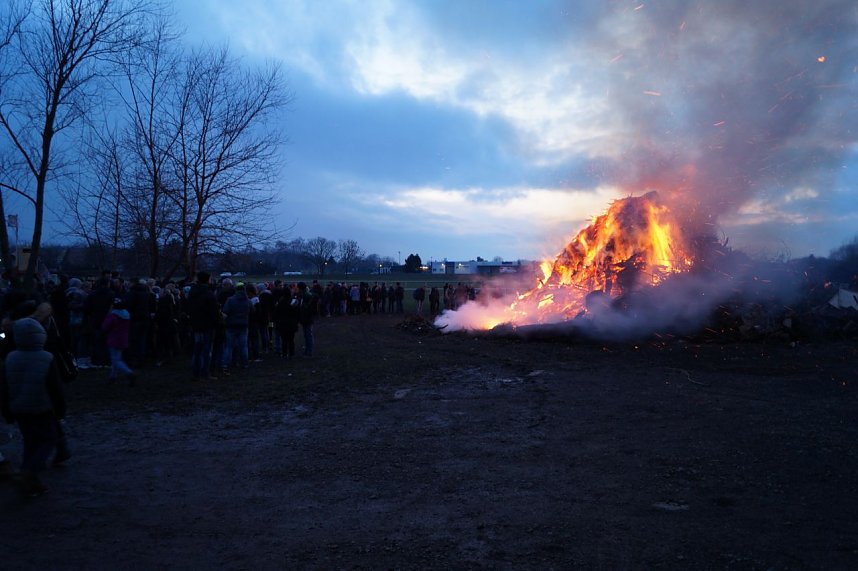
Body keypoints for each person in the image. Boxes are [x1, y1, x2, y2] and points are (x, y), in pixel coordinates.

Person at [0, 318, 66, 496]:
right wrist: (60, 409)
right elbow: (55, 387)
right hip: (41, 407)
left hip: (19, 409)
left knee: (30, 442)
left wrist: (6, 410)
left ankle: (31, 482)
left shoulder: (10, 358)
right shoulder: (46, 358)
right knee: (48, 439)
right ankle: (29, 472)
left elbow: (4, 387)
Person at [186, 272, 221, 381]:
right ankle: (205, 373)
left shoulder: (192, 292)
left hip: (196, 324)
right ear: (208, 280)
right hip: (207, 325)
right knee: (206, 350)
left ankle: (196, 373)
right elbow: (214, 311)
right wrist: (217, 322)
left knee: (197, 350)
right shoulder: (208, 293)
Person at [101, 298, 135, 385]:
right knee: (116, 358)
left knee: (115, 359)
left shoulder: (113, 316)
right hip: (123, 339)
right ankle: (113, 376)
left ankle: (128, 372)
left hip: (114, 338)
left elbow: (104, 327)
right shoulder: (126, 315)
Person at [221, 283, 251, 374]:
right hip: (243, 325)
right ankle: (245, 363)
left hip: (231, 325)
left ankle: (225, 364)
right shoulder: (247, 300)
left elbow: (225, 312)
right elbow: (253, 310)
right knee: (243, 346)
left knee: (229, 347)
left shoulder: (230, 300)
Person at [273, 284, 299, 359]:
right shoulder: (294, 301)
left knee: (284, 339)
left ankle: (284, 354)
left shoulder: (280, 302)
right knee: (291, 339)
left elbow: (276, 313)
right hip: (292, 323)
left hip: (282, 323)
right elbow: (297, 311)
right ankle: (292, 353)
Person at [297, 282, 317, 357]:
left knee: (308, 335)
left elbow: (309, 307)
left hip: (307, 318)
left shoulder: (306, 295)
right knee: (307, 335)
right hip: (307, 318)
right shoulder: (306, 294)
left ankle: (309, 351)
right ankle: (308, 350)